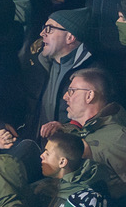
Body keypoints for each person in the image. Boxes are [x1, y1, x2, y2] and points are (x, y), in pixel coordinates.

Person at [55, 68, 126, 198]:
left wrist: (96, 194)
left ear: (90, 95)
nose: (65, 97)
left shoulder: (120, 138)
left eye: (71, 91)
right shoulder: (77, 132)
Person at [31, 8, 96, 136]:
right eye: (44, 27)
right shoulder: (41, 63)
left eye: (49, 28)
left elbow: (96, 119)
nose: (42, 33)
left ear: (70, 37)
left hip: (67, 148)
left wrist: (64, 128)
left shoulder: (90, 74)